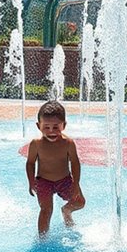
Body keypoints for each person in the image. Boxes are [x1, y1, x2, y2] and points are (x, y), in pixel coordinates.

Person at [26, 100, 85, 236]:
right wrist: (31, 181)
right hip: (43, 181)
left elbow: (75, 163)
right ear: (38, 126)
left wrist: (76, 184)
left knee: (79, 202)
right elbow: (30, 163)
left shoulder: (68, 143)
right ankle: (42, 239)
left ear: (64, 125)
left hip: (64, 180)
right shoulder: (36, 144)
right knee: (46, 209)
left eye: (56, 127)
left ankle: (66, 211)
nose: (51, 131)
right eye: (46, 127)